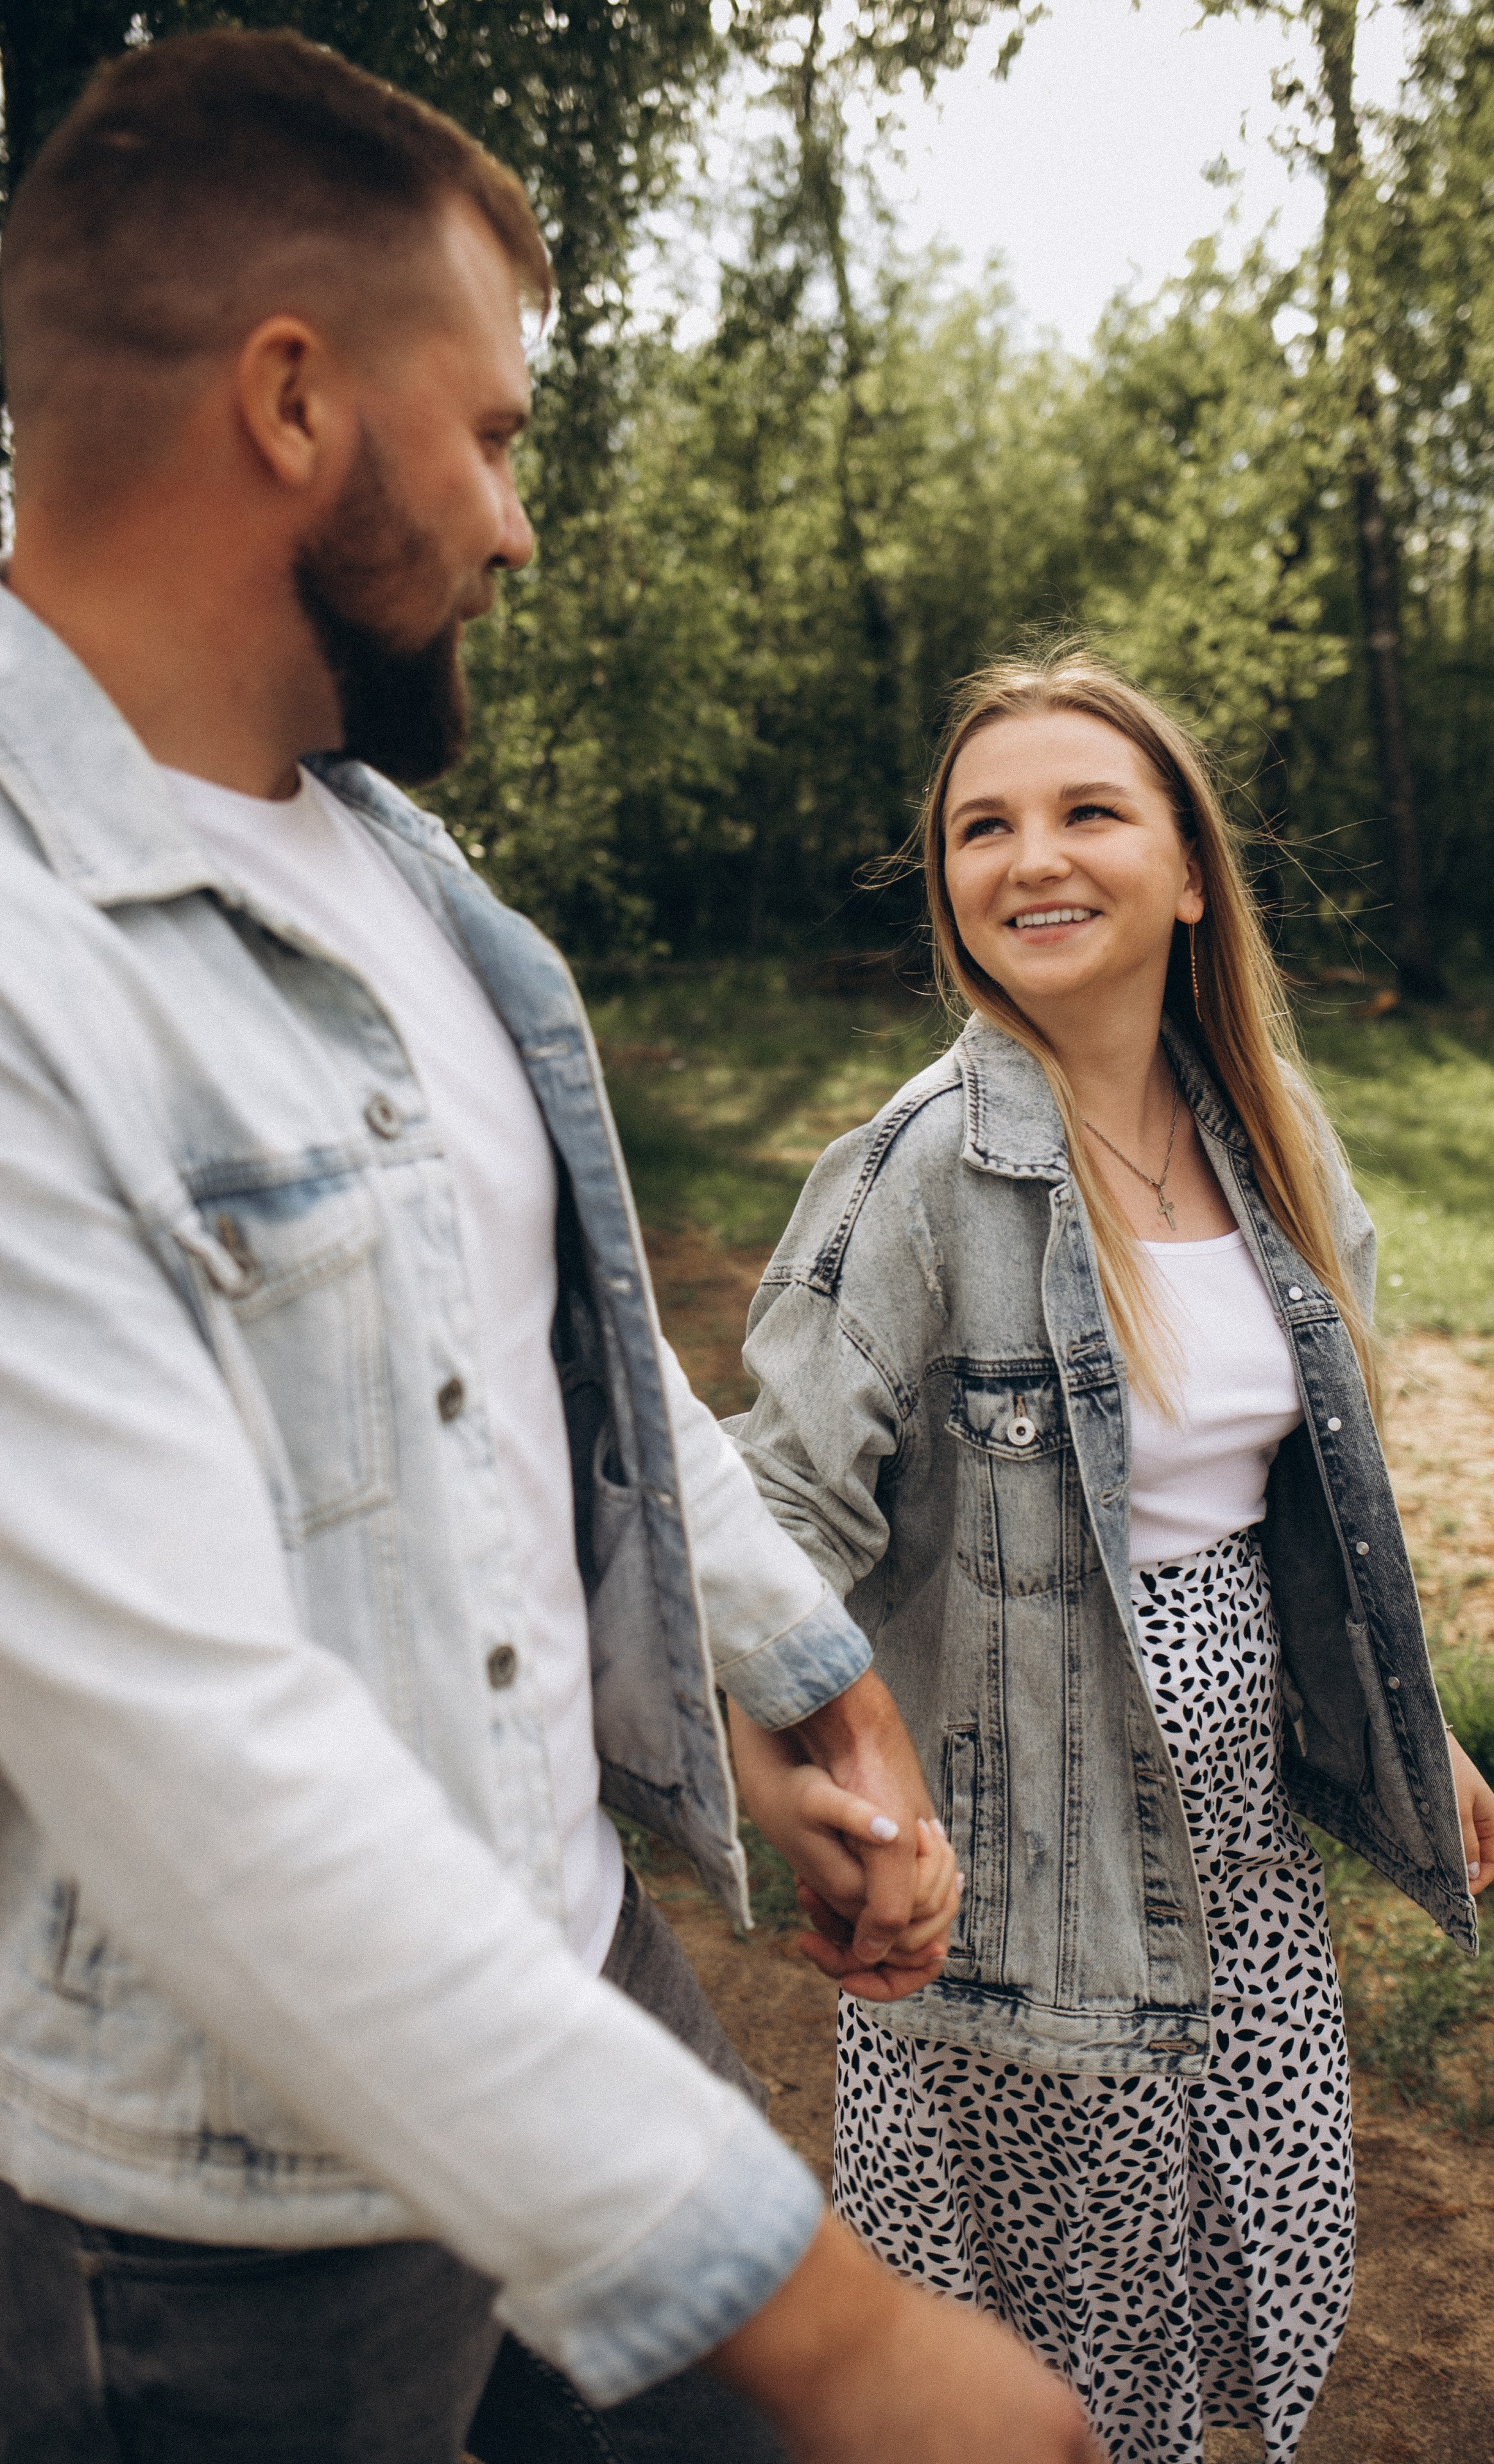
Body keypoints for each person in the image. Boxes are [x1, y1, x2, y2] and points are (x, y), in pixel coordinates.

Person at [0, 35, 1101, 2464]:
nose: (514, 522)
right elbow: (193, 1755)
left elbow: (544, 1365)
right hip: (226, 2228)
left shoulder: (401, 875)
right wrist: (834, 2330)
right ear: (293, 401)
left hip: (568, 1980)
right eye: (490, 434)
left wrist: (798, 1675)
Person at [725, 646, 1494, 2464]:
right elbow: (771, 1516)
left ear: (1187, 868)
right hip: (1020, 1862)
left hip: (1239, 1854)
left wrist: (1416, 1723)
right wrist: (835, 1768)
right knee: (1039, 2362)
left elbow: (1320, 1501)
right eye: (981, 827)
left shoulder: (1275, 1141)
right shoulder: (921, 1168)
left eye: (1088, 810)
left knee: (1228, 2272)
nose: (1030, 858)